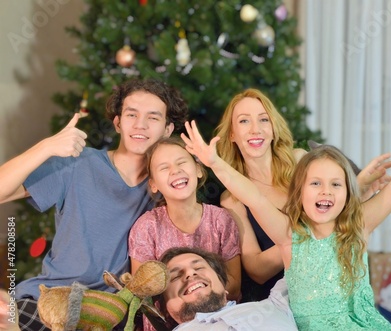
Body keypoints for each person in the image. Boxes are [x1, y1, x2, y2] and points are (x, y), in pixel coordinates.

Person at [181, 120, 391, 330]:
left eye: (336, 184)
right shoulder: (290, 235)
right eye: (316, 183)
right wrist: (214, 162)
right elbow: (254, 197)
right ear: (299, 192)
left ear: (349, 192)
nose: (326, 191)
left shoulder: (359, 224)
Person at [0, 78, 189, 330]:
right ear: (118, 122)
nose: (140, 125)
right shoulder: (77, 163)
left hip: (114, 312)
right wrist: (46, 147)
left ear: (167, 129)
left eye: (153, 118)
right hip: (52, 300)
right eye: (132, 114)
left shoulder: (168, 184)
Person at [214, 88, 391, 302]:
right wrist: (304, 233)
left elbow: (343, 219)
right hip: (281, 301)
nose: (256, 129)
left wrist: (361, 192)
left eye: (264, 120)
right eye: (244, 121)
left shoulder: (300, 161)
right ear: (232, 134)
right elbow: (256, 270)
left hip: (330, 285)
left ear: (274, 129)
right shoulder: (232, 199)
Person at [128, 136, 241, 331]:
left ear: (198, 169)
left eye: (181, 162)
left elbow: (234, 286)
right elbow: (143, 292)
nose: (175, 170)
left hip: (220, 320)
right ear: (154, 184)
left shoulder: (221, 219)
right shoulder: (147, 227)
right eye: (164, 168)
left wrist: (199, 296)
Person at [155, 246, 297, 331]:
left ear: (224, 286)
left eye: (199, 267)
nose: (190, 273)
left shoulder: (278, 303)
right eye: (174, 277)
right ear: (164, 309)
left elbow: (306, 243)